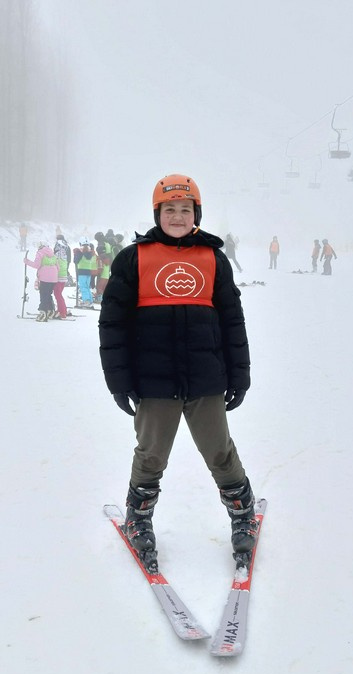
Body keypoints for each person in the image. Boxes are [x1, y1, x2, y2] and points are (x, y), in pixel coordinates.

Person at [98, 173, 256, 572]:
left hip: (206, 379)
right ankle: (139, 518)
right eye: (169, 209)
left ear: (196, 214)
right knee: (151, 455)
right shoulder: (133, 259)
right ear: (158, 213)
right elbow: (113, 325)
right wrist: (119, 380)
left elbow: (232, 321)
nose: (178, 216)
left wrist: (239, 375)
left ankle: (242, 513)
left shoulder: (213, 259)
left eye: (185, 209)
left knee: (220, 451)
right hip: (154, 383)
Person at [24, 243, 58, 321]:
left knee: (43, 295)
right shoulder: (52, 253)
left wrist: (26, 261)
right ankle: (50, 310)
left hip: (45, 278)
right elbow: (58, 266)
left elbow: (36, 265)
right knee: (48, 294)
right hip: (54, 278)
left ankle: (43, 312)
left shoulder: (40, 253)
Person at [74, 239, 98, 308]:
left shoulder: (80, 252)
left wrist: (76, 254)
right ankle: (90, 301)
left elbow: (75, 261)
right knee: (87, 287)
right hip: (88, 271)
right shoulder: (90, 252)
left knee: (83, 287)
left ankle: (86, 301)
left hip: (82, 271)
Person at [53, 234, 72, 318]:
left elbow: (54, 261)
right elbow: (69, 259)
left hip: (59, 274)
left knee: (57, 294)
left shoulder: (58, 250)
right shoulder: (66, 247)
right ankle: (61, 309)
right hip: (64, 272)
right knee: (58, 293)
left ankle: (62, 311)